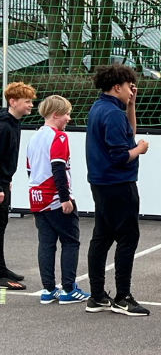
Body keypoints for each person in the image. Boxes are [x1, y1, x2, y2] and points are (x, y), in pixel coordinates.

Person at [85, 64, 150, 316]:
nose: (131, 90)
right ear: (117, 87)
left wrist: (131, 105)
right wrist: (139, 149)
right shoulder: (110, 114)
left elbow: (128, 132)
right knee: (127, 238)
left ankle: (97, 295)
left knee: (101, 237)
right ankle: (123, 296)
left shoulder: (101, 108)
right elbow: (120, 155)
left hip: (102, 183)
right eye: (128, 87)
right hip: (117, 184)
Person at [27, 95, 90, 304]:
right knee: (70, 241)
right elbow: (58, 168)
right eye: (66, 114)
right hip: (55, 197)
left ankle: (48, 289)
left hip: (36, 197)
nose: (69, 118)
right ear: (55, 114)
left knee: (46, 243)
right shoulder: (59, 137)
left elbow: (29, 169)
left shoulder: (34, 137)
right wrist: (65, 198)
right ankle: (69, 289)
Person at [0, 82, 35, 290]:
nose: (31, 105)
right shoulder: (4, 126)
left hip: (4, 181)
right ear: (13, 102)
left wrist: (7, 179)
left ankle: (1, 268)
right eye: (27, 101)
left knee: (2, 225)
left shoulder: (14, 123)